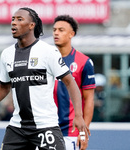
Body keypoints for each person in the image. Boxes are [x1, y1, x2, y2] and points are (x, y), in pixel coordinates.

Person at [0, 7, 88, 150]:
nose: (14, 23)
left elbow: (70, 82)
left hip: (45, 126)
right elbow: (4, 86)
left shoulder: (48, 51)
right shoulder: (7, 54)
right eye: (13, 19)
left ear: (31, 25)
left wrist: (78, 115)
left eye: (19, 19)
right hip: (17, 128)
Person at [53, 15, 95, 150]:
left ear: (72, 34)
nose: (56, 33)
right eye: (54, 30)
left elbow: (89, 99)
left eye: (61, 30)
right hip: (46, 127)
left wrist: (83, 133)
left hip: (71, 131)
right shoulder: (45, 60)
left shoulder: (84, 62)